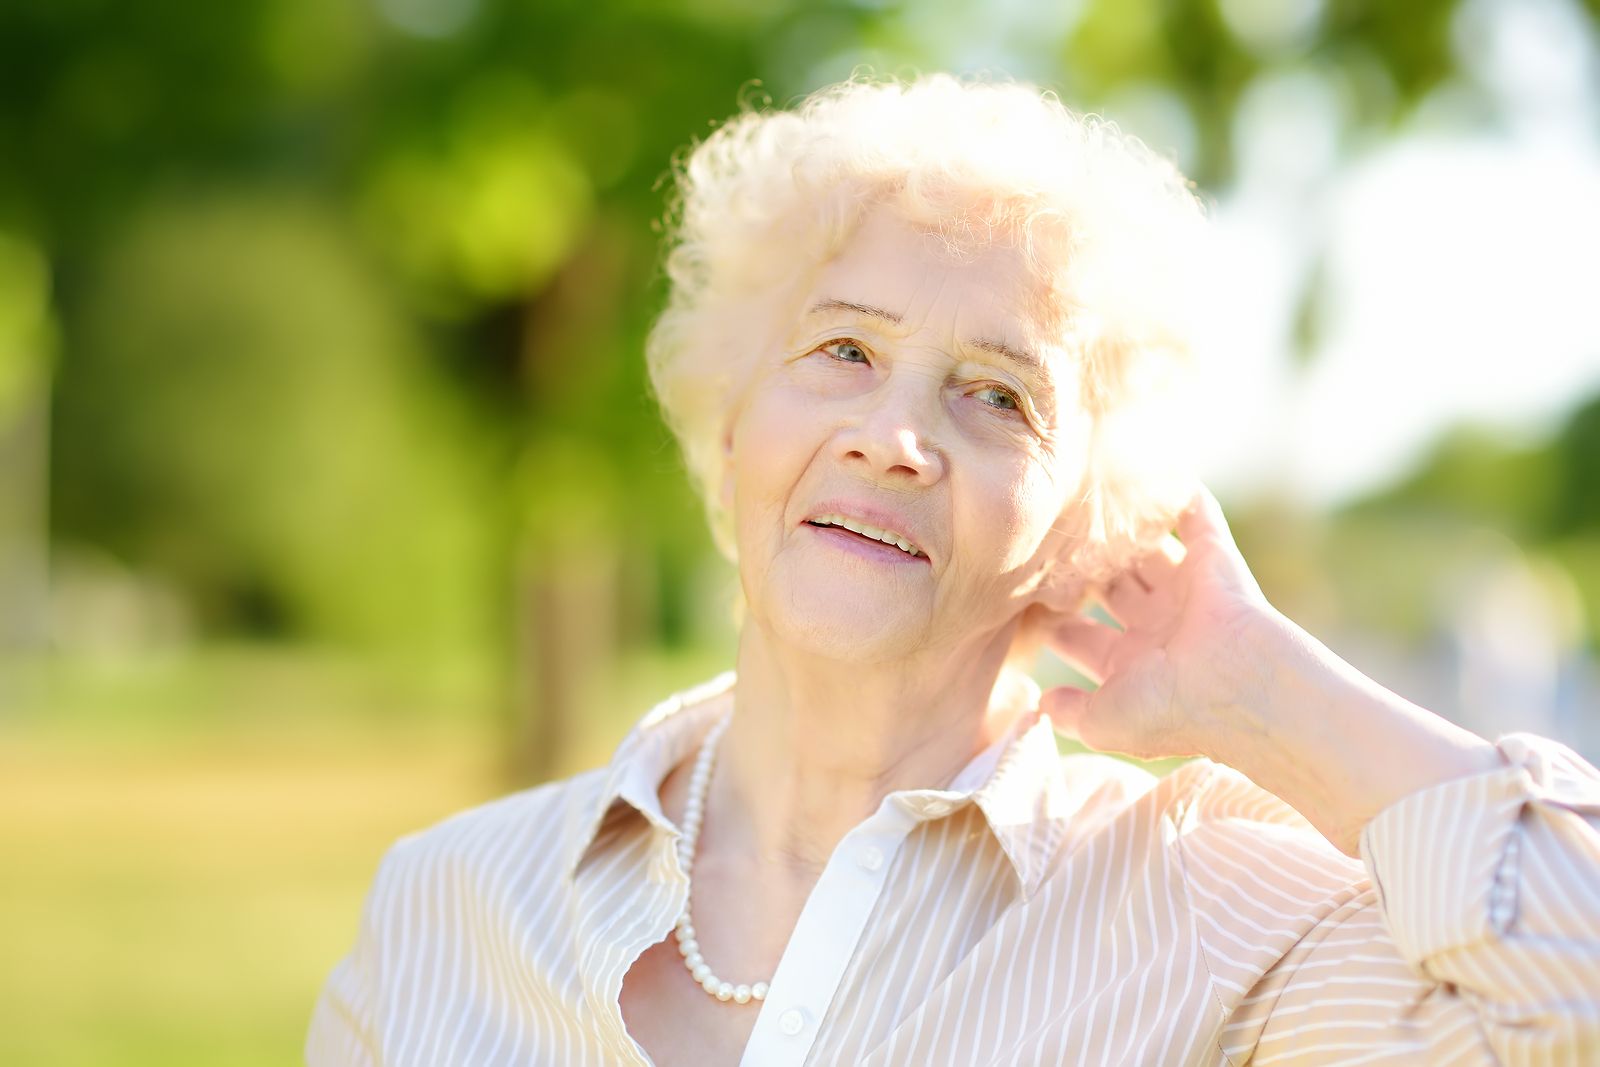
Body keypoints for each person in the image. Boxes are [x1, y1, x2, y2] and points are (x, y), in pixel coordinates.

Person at [306, 74, 1600, 1066]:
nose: (895, 437)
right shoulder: (450, 903)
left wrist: (1266, 691)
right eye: (844, 354)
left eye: (996, 397)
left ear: (1089, 512)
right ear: (736, 416)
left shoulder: (1212, 905)